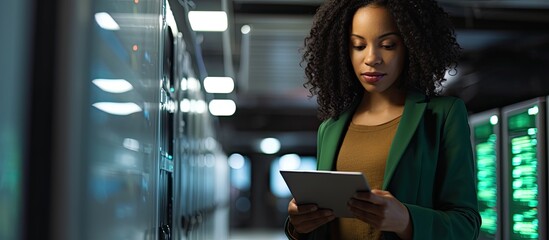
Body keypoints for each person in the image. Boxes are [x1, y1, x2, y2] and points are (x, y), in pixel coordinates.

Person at [284, 0, 481, 239]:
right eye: (358, 45)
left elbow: (466, 224)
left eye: (388, 45)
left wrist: (407, 221)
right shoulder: (330, 128)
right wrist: (299, 225)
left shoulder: (443, 115)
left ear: (411, 46)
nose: (371, 58)